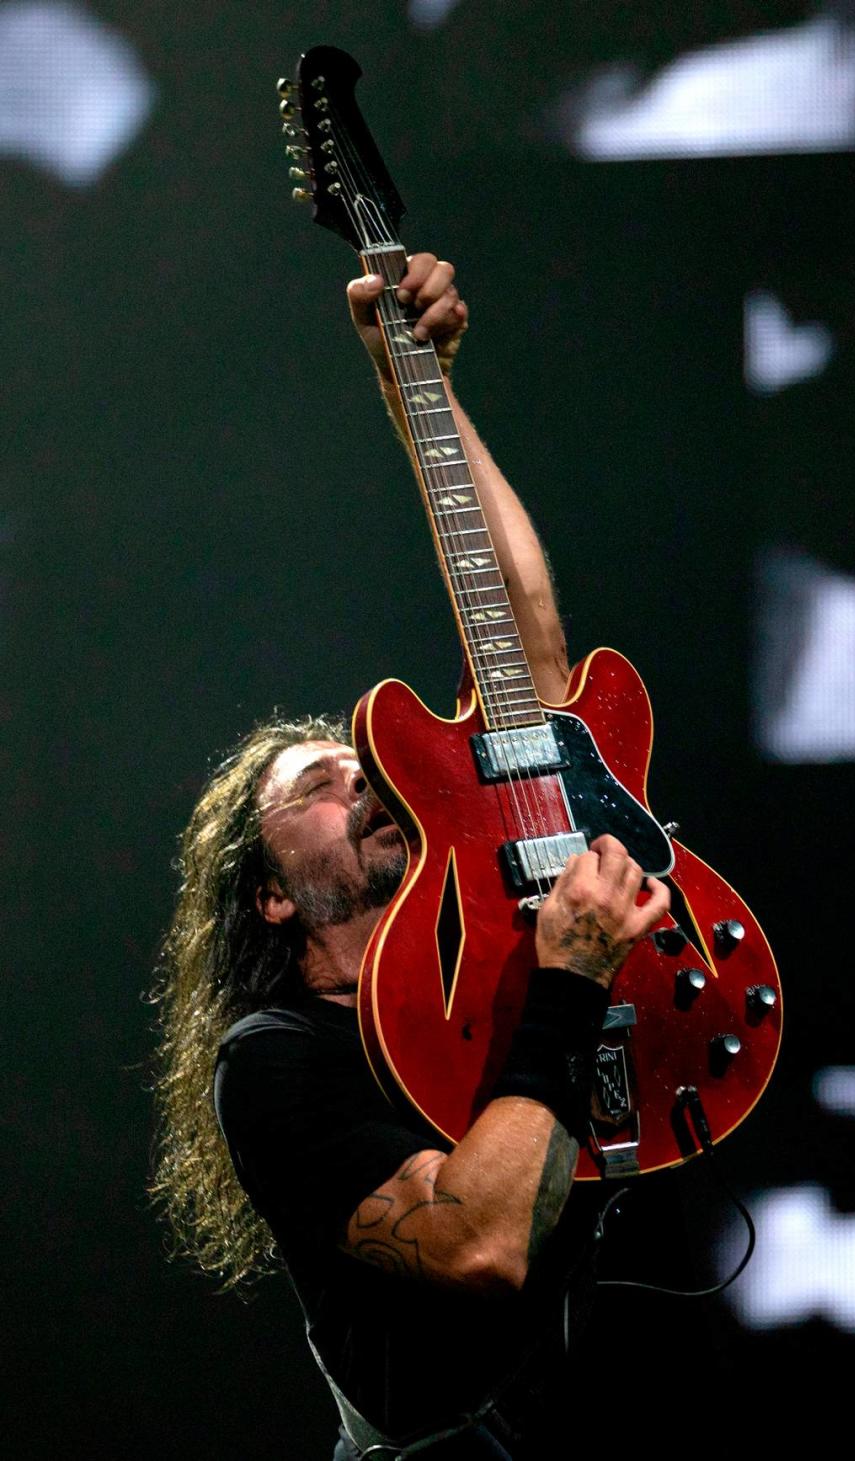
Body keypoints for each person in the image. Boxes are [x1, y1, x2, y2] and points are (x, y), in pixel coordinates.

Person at [151, 254, 670, 1459]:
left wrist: (417, 384)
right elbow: (475, 1244)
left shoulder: (485, 943)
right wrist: (571, 981)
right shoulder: (274, 1062)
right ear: (273, 895)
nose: (359, 780)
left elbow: (524, 627)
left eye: (360, 765)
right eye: (316, 789)